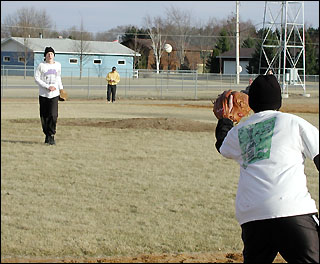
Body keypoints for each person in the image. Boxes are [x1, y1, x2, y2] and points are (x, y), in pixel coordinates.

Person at [215, 74, 319, 263]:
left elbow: (223, 145)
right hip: (292, 210)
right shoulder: (293, 122)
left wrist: (225, 119)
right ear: (279, 101)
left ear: (252, 103)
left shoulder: (241, 130)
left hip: (252, 216)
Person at [34, 46, 64, 145]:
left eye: (51, 53)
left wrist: (61, 89)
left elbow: (58, 77)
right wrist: (47, 86)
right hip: (43, 94)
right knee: (44, 116)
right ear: (45, 56)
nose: (50, 55)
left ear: (54, 55)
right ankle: (47, 135)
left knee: (53, 115)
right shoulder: (41, 66)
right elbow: (37, 78)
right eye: (48, 54)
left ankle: (51, 135)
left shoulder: (58, 65)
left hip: (54, 94)